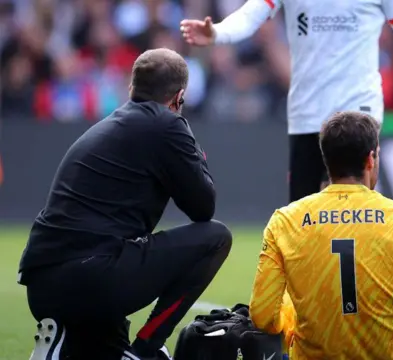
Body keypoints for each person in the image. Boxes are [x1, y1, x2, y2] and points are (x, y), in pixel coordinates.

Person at [19, 48, 233, 360]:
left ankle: (59, 343)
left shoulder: (109, 126)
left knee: (107, 351)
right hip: (93, 279)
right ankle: (145, 349)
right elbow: (203, 207)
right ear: (180, 96)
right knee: (215, 238)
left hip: (43, 287)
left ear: (131, 88)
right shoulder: (167, 125)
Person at [247, 111, 393, 359]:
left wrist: (293, 313)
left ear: (327, 160)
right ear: (370, 159)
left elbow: (263, 317)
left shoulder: (285, 220)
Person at [179, 0, 393, 202]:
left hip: (358, 110)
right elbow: (251, 14)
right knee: (304, 219)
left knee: (356, 209)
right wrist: (217, 33)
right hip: (306, 114)